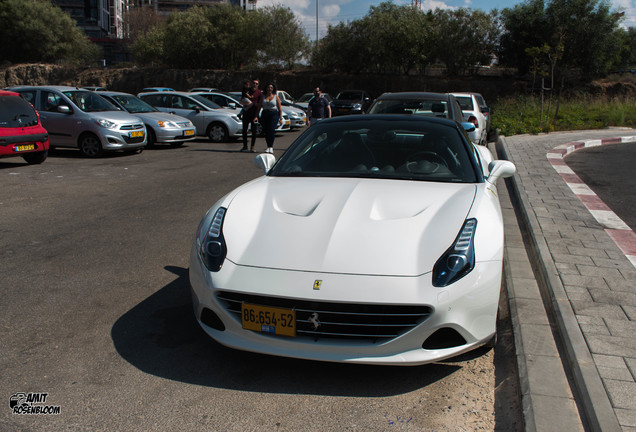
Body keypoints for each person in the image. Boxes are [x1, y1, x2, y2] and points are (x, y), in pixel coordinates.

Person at [259, 83, 283, 154]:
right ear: (266, 88)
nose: (270, 89)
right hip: (265, 113)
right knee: (266, 131)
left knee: (271, 130)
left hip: (273, 114)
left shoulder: (276, 97)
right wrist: (256, 115)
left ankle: (271, 146)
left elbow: (280, 109)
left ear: (273, 89)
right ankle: (268, 147)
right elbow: (259, 107)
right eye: (268, 87)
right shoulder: (263, 97)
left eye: (271, 88)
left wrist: (281, 118)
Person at [240, 78, 262, 152]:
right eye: (253, 83)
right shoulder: (247, 91)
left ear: (258, 85)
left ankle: (252, 147)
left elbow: (260, 105)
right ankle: (245, 146)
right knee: (244, 130)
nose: (255, 85)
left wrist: (256, 115)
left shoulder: (259, 93)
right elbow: (241, 101)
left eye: (256, 83)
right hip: (246, 114)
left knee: (254, 131)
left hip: (254, 114)